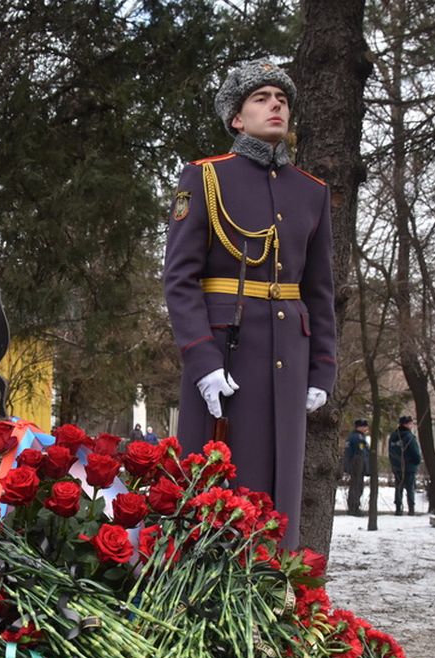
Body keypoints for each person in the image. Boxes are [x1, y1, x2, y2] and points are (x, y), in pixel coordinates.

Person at [162, 59, 335, 550]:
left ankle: (273, 594)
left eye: (281, 99)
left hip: (290, 356)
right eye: (261, 98)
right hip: (225, 354)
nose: (275, 105)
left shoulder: (311, 192)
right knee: (217, 486)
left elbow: (318, 290)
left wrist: (323, 369)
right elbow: (179, 278)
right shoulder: (205, 178)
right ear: (236, 118)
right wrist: (202, 360)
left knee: (280, 488)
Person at [387, 416, 421, 515]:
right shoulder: (409, 437)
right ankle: (411, 509)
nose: (412, 425)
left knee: (398, 487)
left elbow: (390, 452)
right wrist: (416, 461)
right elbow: (415, 453)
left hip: (397, 466)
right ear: (406, 424)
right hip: (409, 466)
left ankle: (398, 507)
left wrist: (394, 463)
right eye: (411, 423)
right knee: (410, 488)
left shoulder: (393, 436)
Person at [343, 418, 370, 516]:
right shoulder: (358, 438)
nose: (366, 429)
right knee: (357, 487)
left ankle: (354, 506)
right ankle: (354, 507)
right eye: (365, 426)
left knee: (356, 486)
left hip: (355, 464)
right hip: (357, 465)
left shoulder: (354, 437)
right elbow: (361, 453)